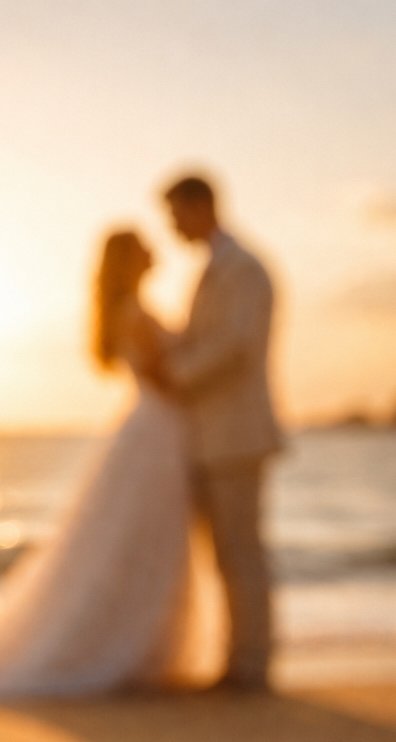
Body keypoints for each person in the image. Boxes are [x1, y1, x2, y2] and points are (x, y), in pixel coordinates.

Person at [0, 229, 210, 699]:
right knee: (140, 540)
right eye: (142, 248)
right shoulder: (133, 312)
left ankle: (142, 646)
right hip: (156, 431)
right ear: (127, 260)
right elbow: (163, 376)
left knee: (137, 542)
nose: (153, 252)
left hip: (152, 430)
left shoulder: (127, 309)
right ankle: (128, 648)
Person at [162, 174, 282, 690]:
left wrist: (176, 375)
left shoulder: (244, 268)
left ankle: (252, 664)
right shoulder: (214, 268)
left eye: (175, 214)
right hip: (211, 438)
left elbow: (236, 346)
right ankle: (239, 659)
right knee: (226, 555)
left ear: (200, 206)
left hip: (238, 435)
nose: (172, 226)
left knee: (242, 553)